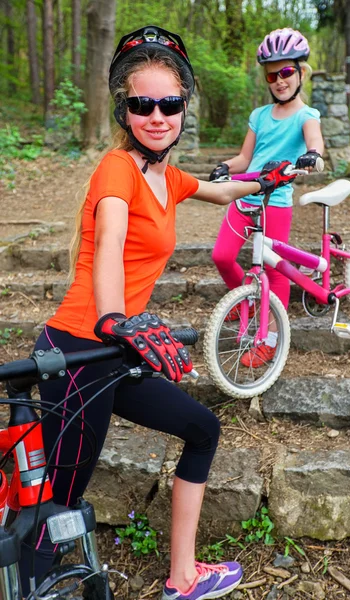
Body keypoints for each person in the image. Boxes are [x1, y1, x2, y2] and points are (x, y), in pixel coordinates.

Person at [18, 25, 284, 600]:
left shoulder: (167, 175)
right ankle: (30, 583)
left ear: (184, 107)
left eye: (170, 103)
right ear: (125, 109)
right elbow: (110, 239)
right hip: (78, 348)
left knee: (202, 428)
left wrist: (263, 180)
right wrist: (114, 318)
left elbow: (219, 191)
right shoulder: (118, 168)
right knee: (61, 495)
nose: (157, 116)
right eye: (143, 104)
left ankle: (183, 577)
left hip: (116, 350)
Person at [210, 27, 324, 367]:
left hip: (275, 202)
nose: (279, 80)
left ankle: (270, 337)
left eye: (287, 71)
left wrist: (312, 157)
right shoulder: (260, 116)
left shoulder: (307, 116)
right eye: (272, 74)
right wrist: (224, 166)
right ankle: (244, 303)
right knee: (221, 256)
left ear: (301, 72)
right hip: (246, 196)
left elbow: (315, 145)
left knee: (275, 273)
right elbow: (245, 160)